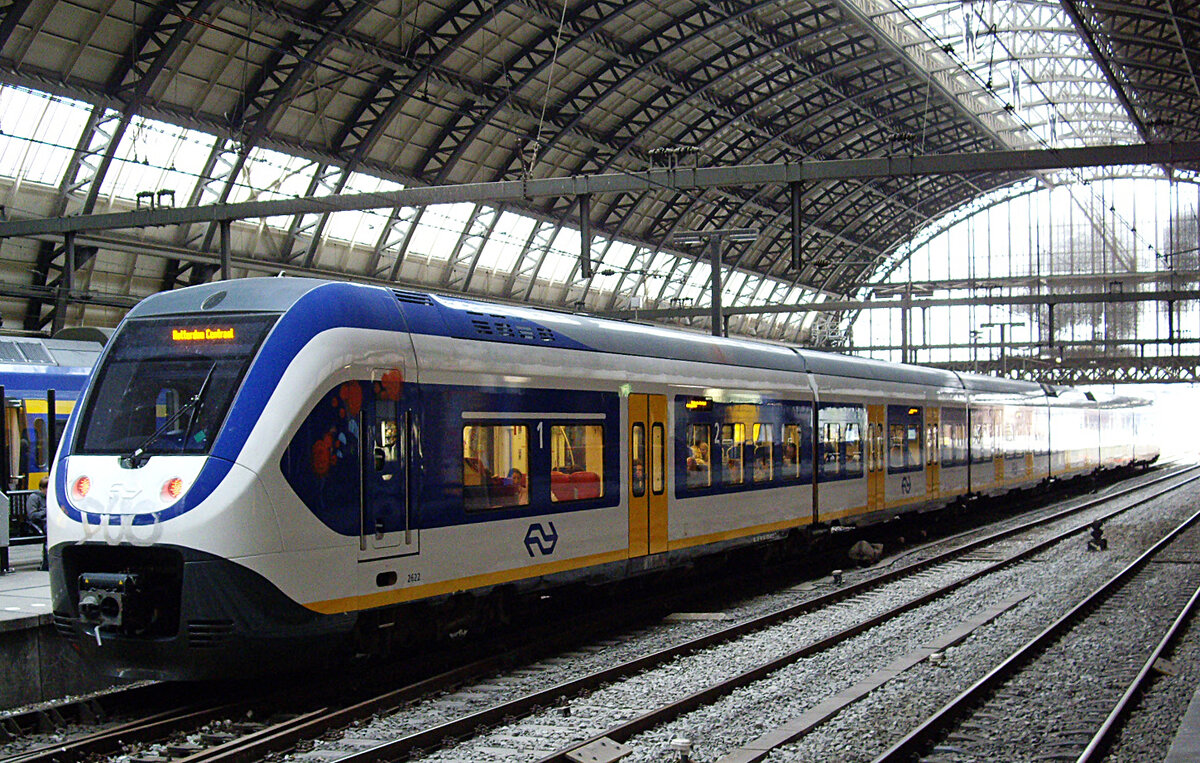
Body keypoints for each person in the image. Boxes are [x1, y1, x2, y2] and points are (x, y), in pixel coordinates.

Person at [27, 478, 48, 571]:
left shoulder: (52, 497)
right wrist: (46, 511)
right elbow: (32, 515)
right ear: (41, 488)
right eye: (46, 488)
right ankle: (47, 563)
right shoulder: (34, 497)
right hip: (39, 524)